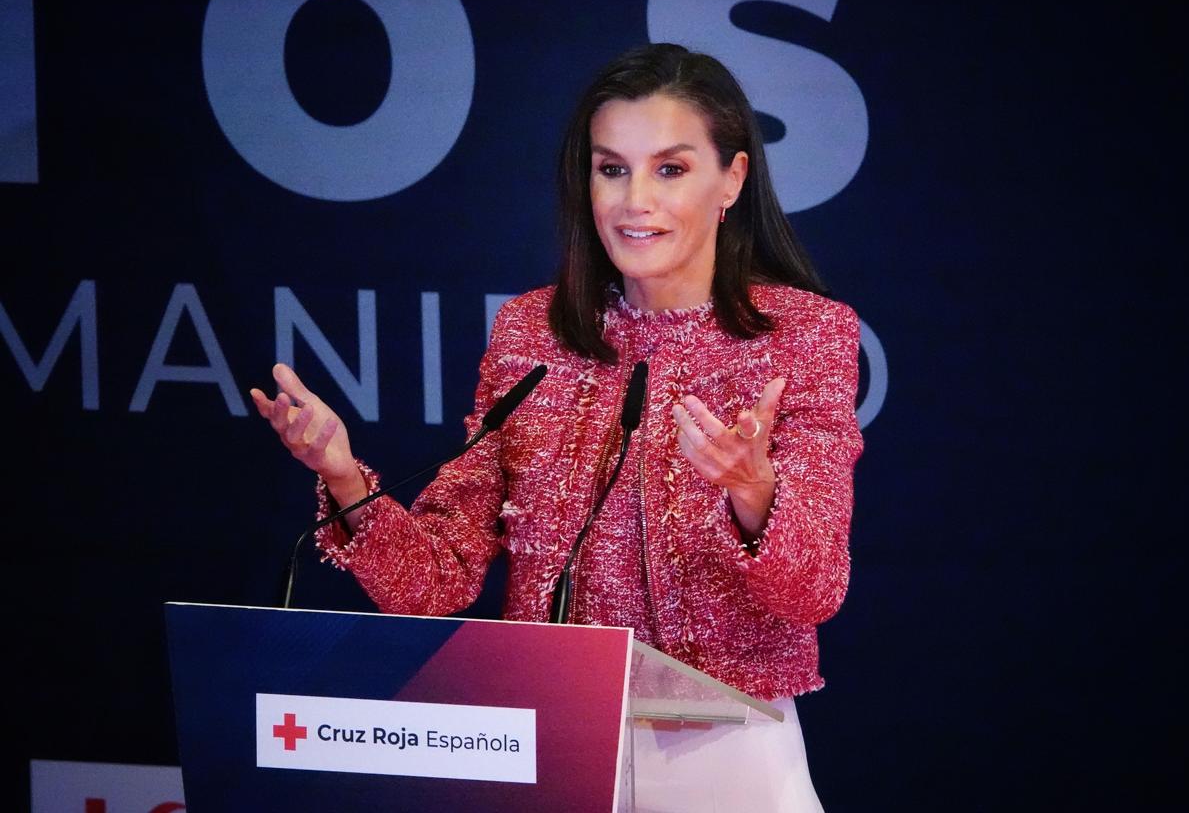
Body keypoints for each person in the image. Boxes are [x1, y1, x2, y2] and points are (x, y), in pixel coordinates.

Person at [251, 43, 862, 813]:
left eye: (669, 169)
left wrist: (753, 489)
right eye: (612, 168)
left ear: (731, 180)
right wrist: (343, 476)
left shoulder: (803, 336)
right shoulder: (530, 335)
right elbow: (437, 581)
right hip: (547, 745)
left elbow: (813, 590)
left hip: (725, 756)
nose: (634, 199)